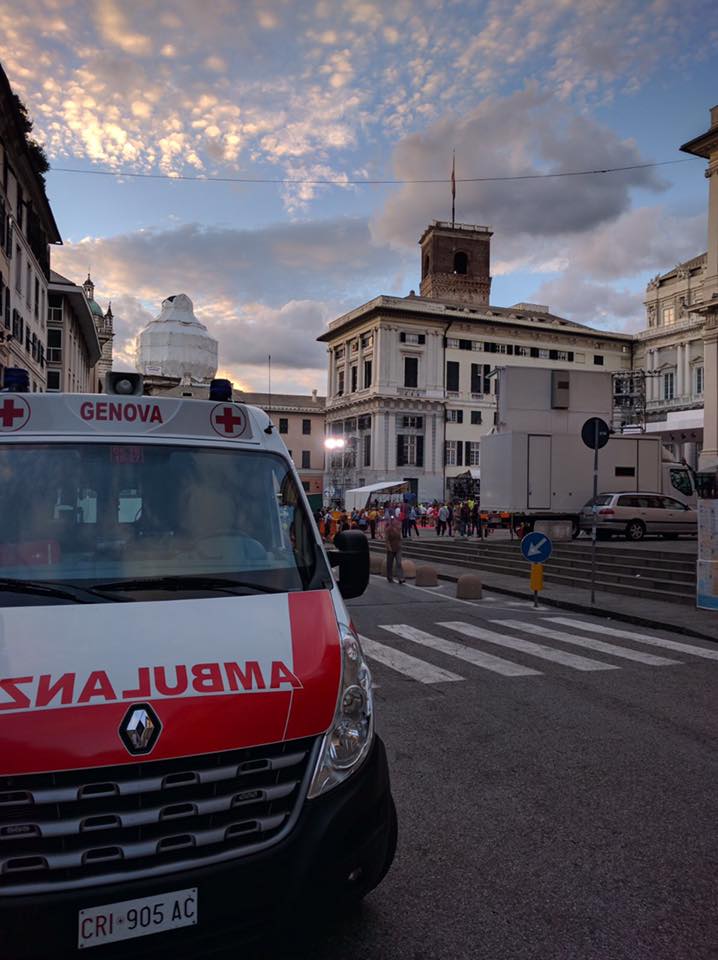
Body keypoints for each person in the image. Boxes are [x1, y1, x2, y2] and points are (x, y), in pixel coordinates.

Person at [385, 516, 405, 584]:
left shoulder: (398, 528)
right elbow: (386, 539)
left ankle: (401, 578)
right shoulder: (388, 529)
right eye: (392, 520)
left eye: (395, 520)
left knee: (399, 563)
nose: (394, 522)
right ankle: (389, 577)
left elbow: (400, 538)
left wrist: (400, 544)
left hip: (398, 548)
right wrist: (389, 547)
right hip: (391, 548)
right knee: (389, 564)